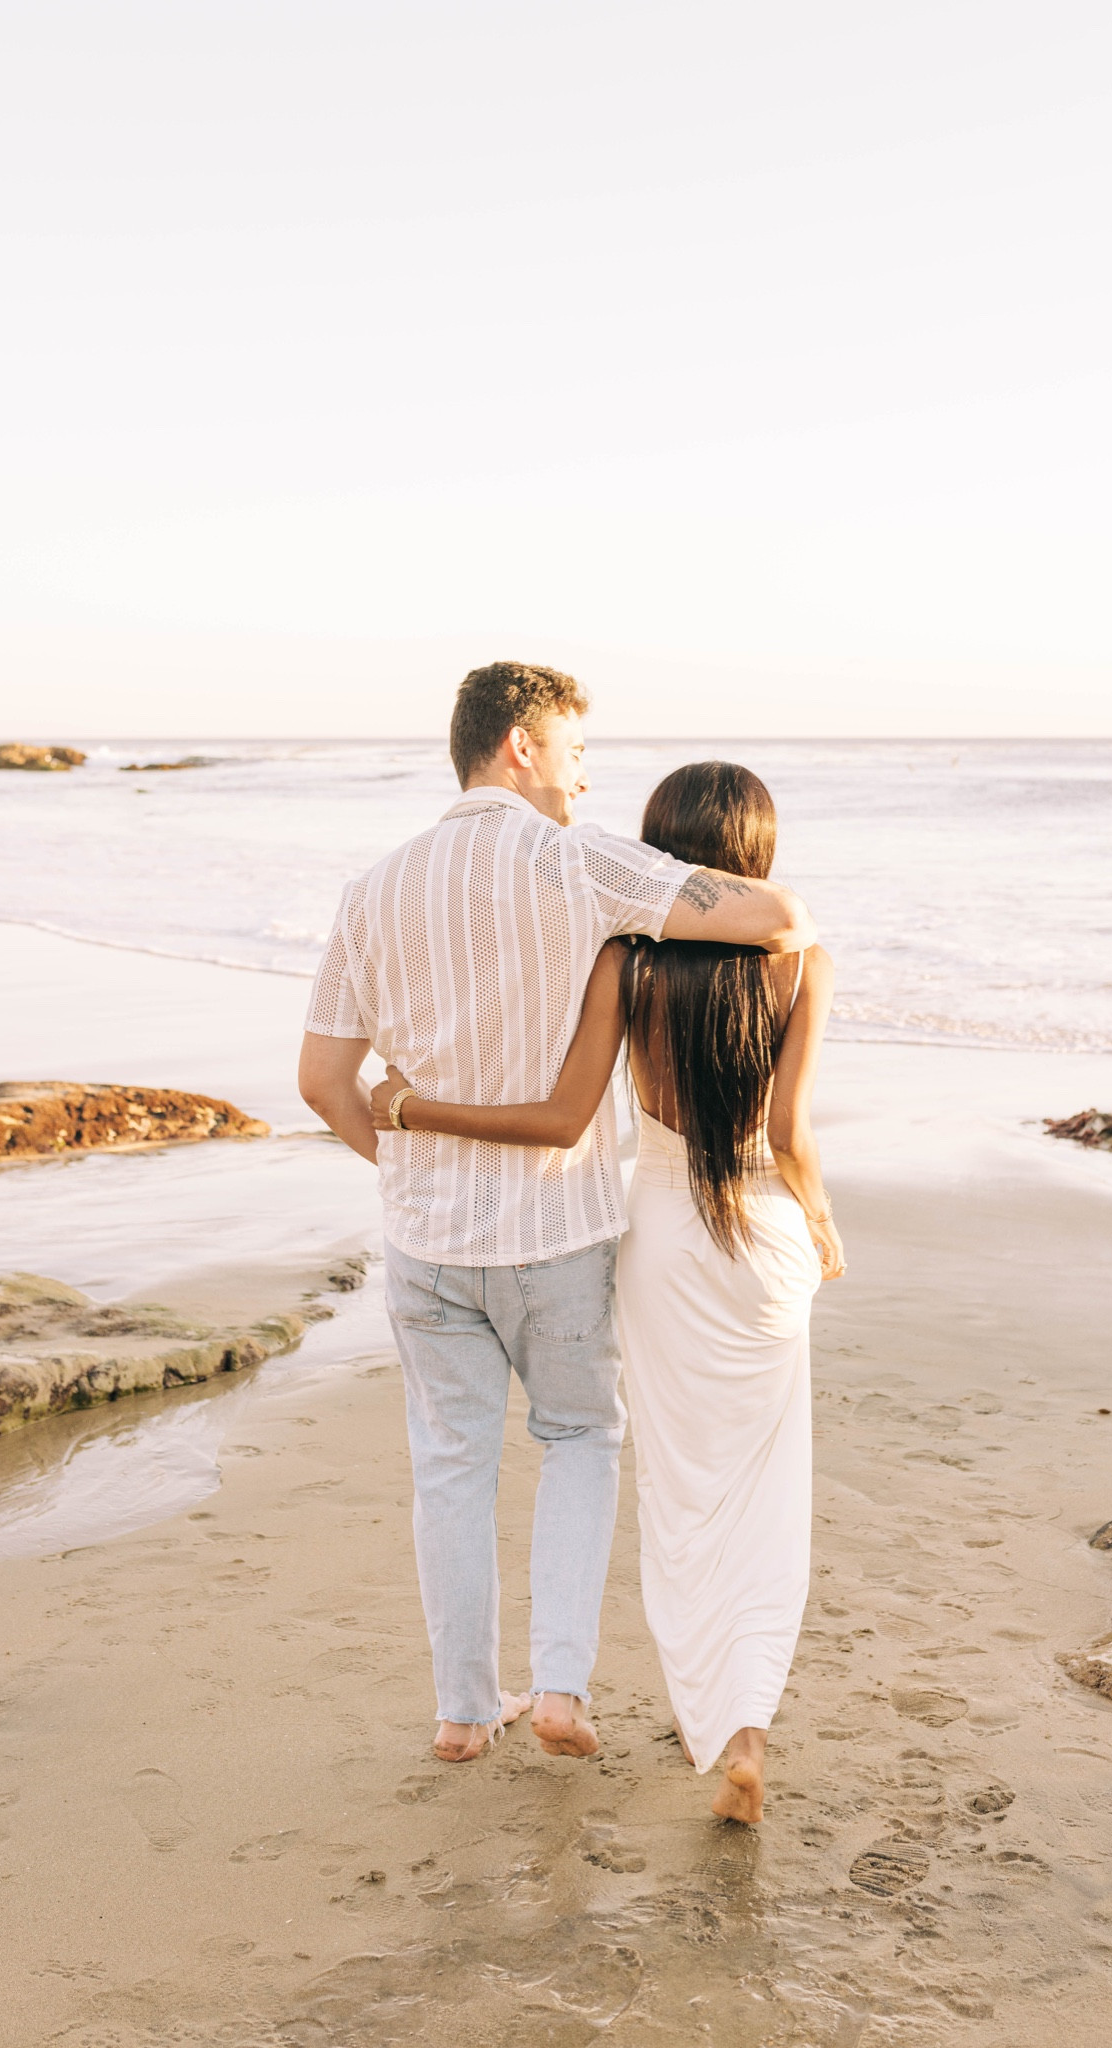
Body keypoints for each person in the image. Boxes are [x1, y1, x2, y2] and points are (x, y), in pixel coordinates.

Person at [298, 665, 816, 1769]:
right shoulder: (581, 864)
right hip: (557, 1236)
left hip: (425, 1241)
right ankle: (561, 1688)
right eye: (575, 754)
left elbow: (321, 1079)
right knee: (580, 1438)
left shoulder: (372, 887)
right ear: (522, 747)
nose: (585, 779)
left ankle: (458, 1707)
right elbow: (776, 915)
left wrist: (404, 1160)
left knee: (449, 1463)